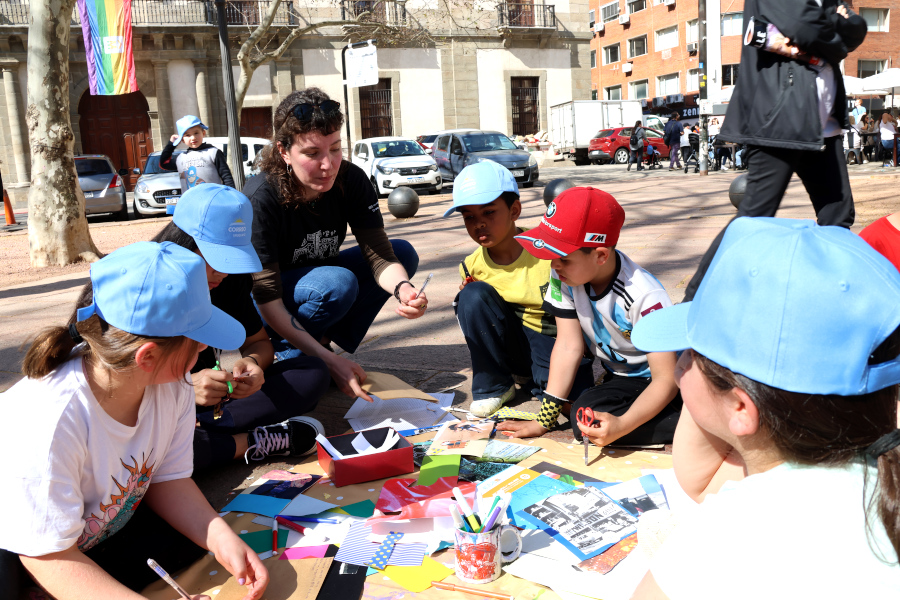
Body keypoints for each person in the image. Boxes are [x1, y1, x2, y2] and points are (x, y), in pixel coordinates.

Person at [629, 217, 900, 599]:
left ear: (742, 406)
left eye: (690, 353)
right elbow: (698, 481)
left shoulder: (723, 539)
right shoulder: (878, 473)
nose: (678, 366)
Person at [0, 242, 268, 600]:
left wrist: (223, 539)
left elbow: (169, 479)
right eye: (198, 341)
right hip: (27, 550)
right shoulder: (49, 422)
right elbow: (46, 554)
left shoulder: (171, 384)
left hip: (89, 535)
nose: (205, 349)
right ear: (148, 356)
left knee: (193, 539)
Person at [244, 88, 425, 402]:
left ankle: (319, 344)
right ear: (284, 151)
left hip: (317, 283)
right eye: (312, 154)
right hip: (266, 300)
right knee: (337, 283)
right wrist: (328, 363)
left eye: (336, 149)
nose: (328, 164)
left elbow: (380, 255)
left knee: (403, 254)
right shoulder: (262, 196)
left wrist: (404, 290)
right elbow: (266, 297)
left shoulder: (351, 180)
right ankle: (288, 352)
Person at [682, 0, 867, 302]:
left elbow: (853, 31)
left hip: (824, 124)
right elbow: (808, 28)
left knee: (838, 214)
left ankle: (836, 300)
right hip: (779, 119)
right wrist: (833, 34)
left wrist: (829, 33)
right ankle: (694, 301)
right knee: (754, 217)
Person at [151, 184, 331, 469]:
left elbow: (259, 343)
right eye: (214, 258)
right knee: (150, 453)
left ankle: (198, 436)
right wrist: (184, 390)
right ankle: (245, 442)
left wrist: (252, 364)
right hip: (155, 407)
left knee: (313, 371)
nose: (221, 272)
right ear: (183, 241)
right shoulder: (142, 285)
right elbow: (116, 381)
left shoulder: (228, 279)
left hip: (216, 402)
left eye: (231, 259)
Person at [498, 188, 682, 445]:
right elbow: (567, 345)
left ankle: (693, 423)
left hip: (670, 378)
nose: (553, 265)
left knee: (600, 424)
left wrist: (623, 425)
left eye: (562, 257)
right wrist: (543, 420)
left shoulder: (644, 296)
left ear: (600, 255)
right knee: (584, 419)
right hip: (625, 379)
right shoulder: (564, 275)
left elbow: (665, 379)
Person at [443, 161, 593, 417]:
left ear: (514, 210)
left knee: (575, 411)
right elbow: (482, 319)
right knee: (471, 295)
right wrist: (474, 303)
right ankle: (494, 386)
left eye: (489, 212)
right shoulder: (471, 266)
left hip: (554, 340)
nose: (479, 223)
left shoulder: (548, 252)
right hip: (514, 344)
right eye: (469, 217)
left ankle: (537, 379)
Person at [160, 115, 235, 202]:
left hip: (214, 201)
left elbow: (226, 176)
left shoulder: (213, 152)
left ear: (203, 133)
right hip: (191, 203)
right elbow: (163, 163)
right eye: (187, 135)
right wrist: (171, 145)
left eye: (196, 133)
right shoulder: (181, 158)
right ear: (182, 140)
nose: (193, 138)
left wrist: (232, 196)